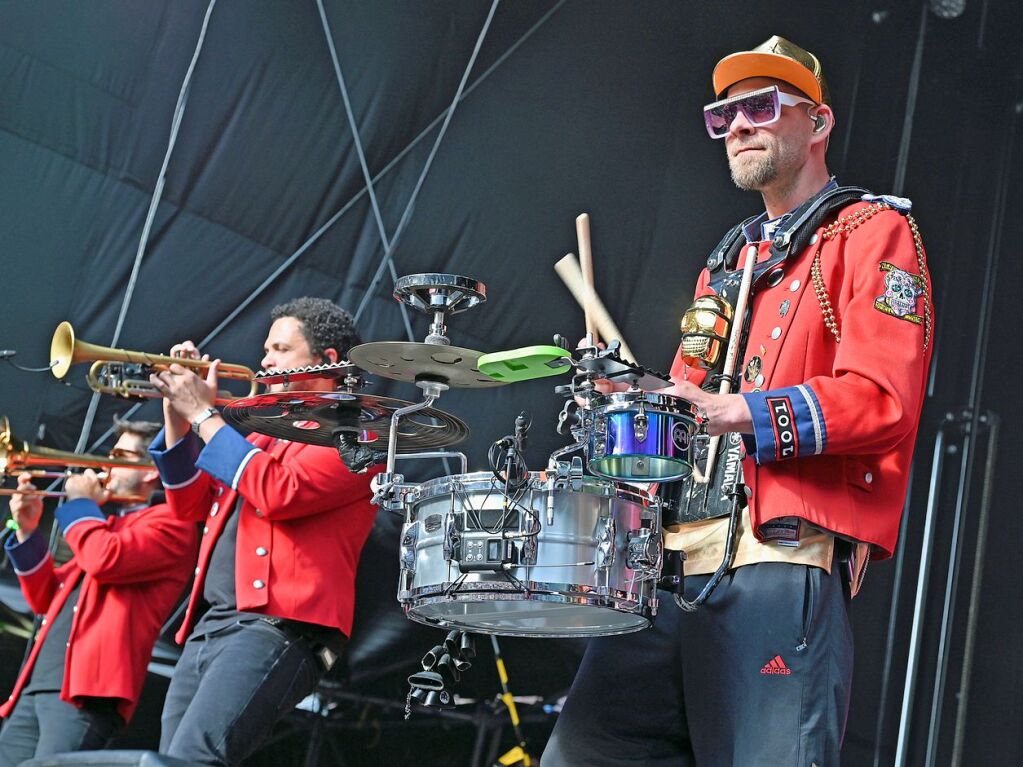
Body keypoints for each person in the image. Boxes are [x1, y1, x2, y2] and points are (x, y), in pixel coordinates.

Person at [543, 36, 933, 766]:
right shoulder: (726, 262)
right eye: (723, 115)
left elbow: (882, 399)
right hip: (665, 568)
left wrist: (742, 413)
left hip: (776, 557)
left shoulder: (871, 231)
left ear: (816, 124)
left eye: (759, 107)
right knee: (581, 751)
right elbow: (683, 410)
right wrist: (633, 404)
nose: (739, 125)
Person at [147, 297, 379, 766]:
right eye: (267, 349)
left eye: (280, 348)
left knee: (193, 758)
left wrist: (204, 416)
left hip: (276, 627)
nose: (265, 361)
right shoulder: (259, 435)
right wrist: (178, 418)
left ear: (327, 360)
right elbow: (189, 503)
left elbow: (280, 491)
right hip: (212, 625)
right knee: (170, 761)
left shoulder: (356, 436)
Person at [0, 419, 197, 766]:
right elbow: (47, 599)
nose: (106, 464)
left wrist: (79, 504)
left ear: (150, 469)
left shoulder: (171, 523)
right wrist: (28, 532)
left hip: (88, 692)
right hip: (40, 684)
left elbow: (105, 559)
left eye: (119, 455)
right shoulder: (105, 527)